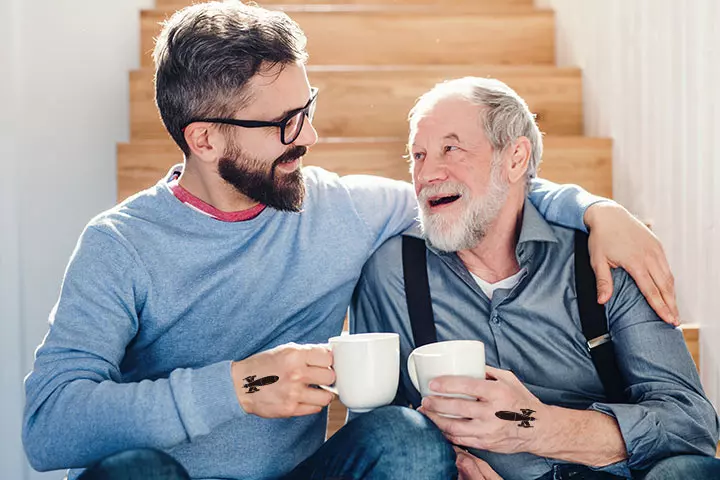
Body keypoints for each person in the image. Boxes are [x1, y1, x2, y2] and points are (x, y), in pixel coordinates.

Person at [22, 3, 679, 480]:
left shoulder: (336, 207)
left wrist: (594, 207)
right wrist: (236, 387)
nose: (309, 138)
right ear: (205, 139)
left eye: (308, 108)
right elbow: (49, 425)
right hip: (170, 476)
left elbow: (478, 190)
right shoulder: (120, 245)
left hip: (306, 475)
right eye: (284, 123)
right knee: (135, 472)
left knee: (406, 438)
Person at [351, 76, 720, 480]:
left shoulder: (601, 256)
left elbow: (692, 424)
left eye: (450, 149)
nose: (428, 173)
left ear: (514, 159)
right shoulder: (392, 273)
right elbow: (381, 435)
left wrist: (537, 428)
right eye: (417, 155)